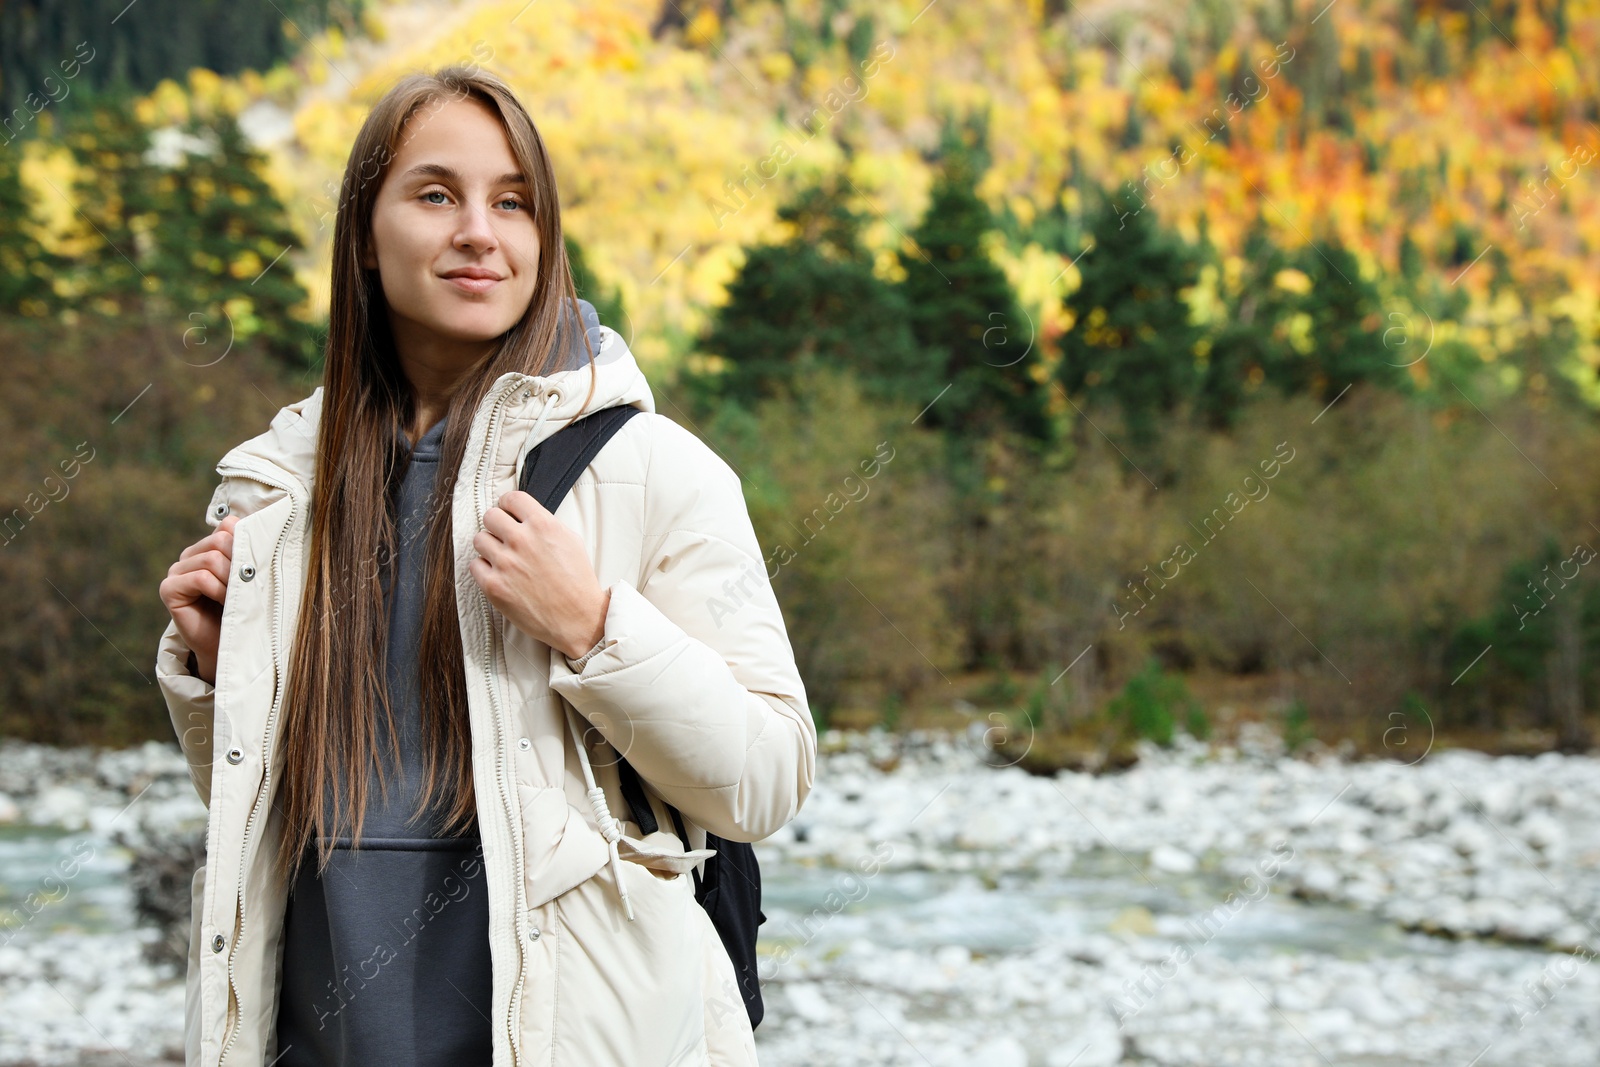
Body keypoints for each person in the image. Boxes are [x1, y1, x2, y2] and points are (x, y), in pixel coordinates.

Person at [155, 63, 815, 1067]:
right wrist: (216, 673)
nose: (480, 232)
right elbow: (262, 813)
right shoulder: (276, 489)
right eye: (434, 194)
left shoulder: (653, 468)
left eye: (514, 203)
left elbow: (766, 778)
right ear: (364, 240)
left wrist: (596, 626)